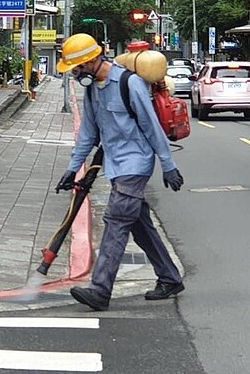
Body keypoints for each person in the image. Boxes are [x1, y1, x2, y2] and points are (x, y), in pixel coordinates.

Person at [54, 33, 185, 311]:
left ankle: (100, 290)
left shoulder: (130, 83)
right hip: (115, 165)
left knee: (115, 221)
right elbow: (88, 133)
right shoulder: (92, 89)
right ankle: (170, 278)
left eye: (76, 68)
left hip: (135, 164)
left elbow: (151, 126)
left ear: (90, 62)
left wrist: (168, 164)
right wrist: (71, 169)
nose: (75, 75)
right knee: (138, 223)